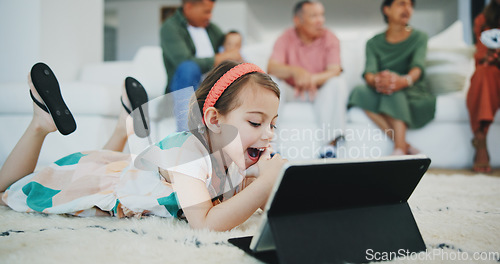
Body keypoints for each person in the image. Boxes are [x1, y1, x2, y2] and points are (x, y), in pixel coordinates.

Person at [0, 61, 287, 232]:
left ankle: (125, 124)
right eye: (255, 123)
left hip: (122, 168)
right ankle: (41, 124)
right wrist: (264, 184)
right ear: (213, 120)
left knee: (111, 160)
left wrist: (272, 184)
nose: (268, 134)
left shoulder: (233, 158)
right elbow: (205, 224)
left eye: (272, 124)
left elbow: (248, 205)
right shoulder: (188, 154)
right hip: (99, 183)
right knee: (9, 192)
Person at [347, 0, 435, 156]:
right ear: (386, 9)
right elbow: (369, 73)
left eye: (410, 5)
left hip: (412, 89)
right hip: (383, 88)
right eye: (401, 3)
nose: (407, 8)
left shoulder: (419, 37)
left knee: (392, 90)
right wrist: (378, 81)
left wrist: (403, 81)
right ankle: (404, 145)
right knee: (359, 92)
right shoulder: (373, 43)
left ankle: (399, 149)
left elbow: (417, 67)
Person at [267, 0, 347, 158]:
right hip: (292, 90)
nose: (320, 21)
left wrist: (311, 79)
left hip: (319, 90)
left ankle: (329, 148)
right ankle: (271, 146)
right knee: (271, 81)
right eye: (314, 16)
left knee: (337, 83)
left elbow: (335, 70)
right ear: (298, 21)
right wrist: (295, 71)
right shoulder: (285, 37)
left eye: (322, 15)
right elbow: (272, 67)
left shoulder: (329, 37)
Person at [160, 0, 243, 132]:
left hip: (212, 89)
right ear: (188, 7)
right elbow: (183, 61)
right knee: (189, 67)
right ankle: (186, 134)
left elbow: (228, 47)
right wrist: (220, 58)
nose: (209, 16)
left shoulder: (212, 29)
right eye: (206, 12)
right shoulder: (170, 28)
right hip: (184, 89)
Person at [466, 0, 500, 173]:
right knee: (483, 73)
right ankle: (480, 138)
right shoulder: (483, 19)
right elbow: (480, 53)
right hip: (493, 72)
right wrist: (488, 56)